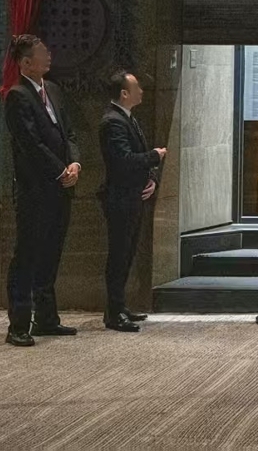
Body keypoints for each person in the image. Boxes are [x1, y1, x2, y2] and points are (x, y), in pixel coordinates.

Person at [4, 35, 81, 346]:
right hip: (35, 191)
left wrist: (74, 163)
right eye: (41, 53)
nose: (48, 55)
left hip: (61, 190)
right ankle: (18, 325)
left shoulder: (54, 90)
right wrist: (60, 170)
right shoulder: (17, 96)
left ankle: (47, 319)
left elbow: (69, 132)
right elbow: (30, 144)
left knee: (51, 254)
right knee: (27, 256)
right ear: (26, 63)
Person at [98, 70, 166, 332]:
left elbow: (137, 158)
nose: (141, 91)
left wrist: (152, 179)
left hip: (133, 197)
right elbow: (124, 161)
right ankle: (114, 313)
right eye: (136, 87)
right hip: (121, 199)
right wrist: (155, 156)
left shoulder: (127, 118)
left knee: (127, 254)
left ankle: (119, 306)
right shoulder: (113, 122)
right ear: (124, 93)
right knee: (119, 255)